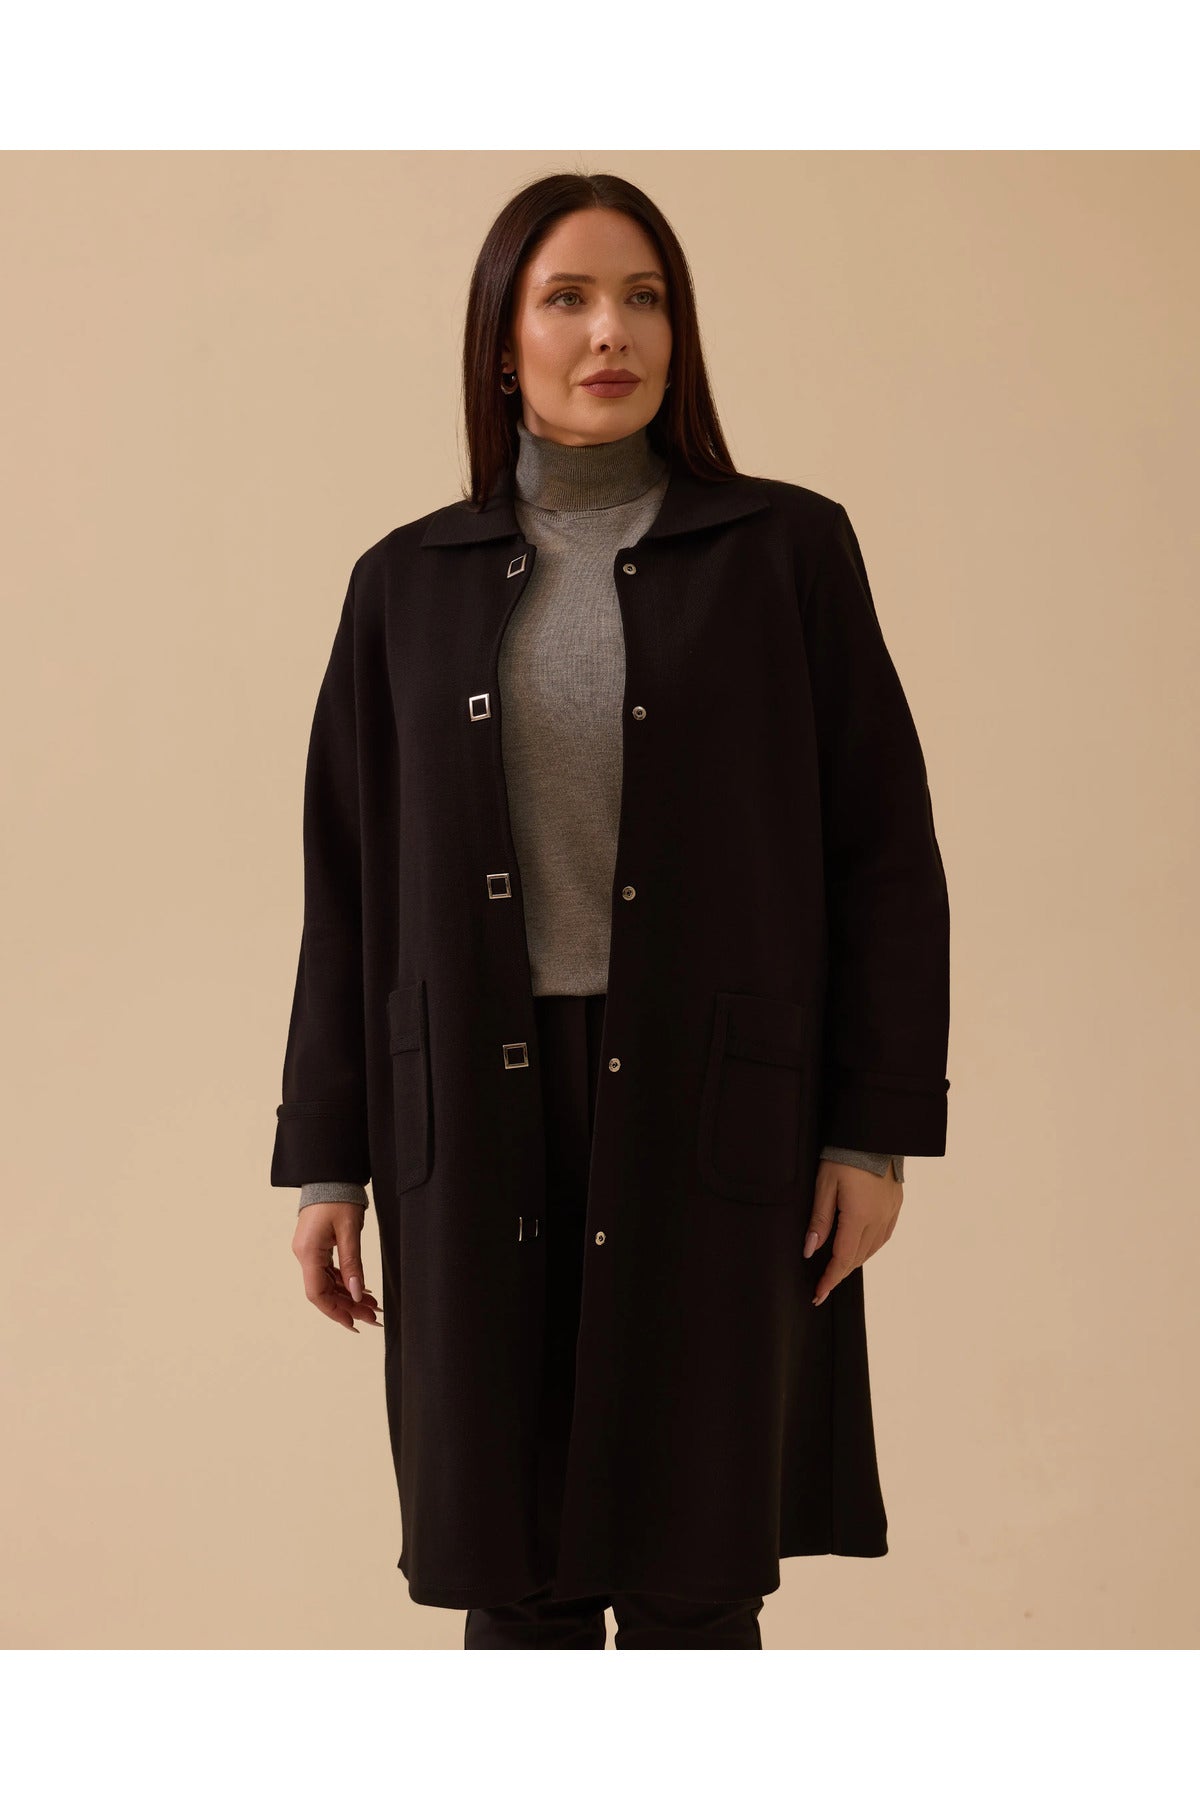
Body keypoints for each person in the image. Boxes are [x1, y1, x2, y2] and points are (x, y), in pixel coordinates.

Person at [271, 171, 950, 1650]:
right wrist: (326, 1159)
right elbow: (347, 886)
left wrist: (870, 1131)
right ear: (501, 337)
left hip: (714, 1102)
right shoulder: (405, 584)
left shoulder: (785, 553)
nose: (610, 333)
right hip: (474, 1106)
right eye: (567, 298)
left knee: (697, 1569)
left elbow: (884, 853)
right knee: (513, 1575)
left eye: (644, 298)